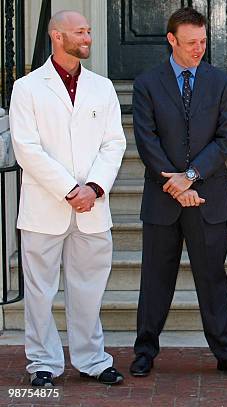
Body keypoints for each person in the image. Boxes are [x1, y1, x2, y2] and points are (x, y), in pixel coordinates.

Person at [9, 11, 126, 386]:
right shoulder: (27, 87)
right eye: (81, 32)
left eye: (89, 31)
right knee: (40, 292)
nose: (88, 37)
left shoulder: (102, 87)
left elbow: (114, 143)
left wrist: (93, 187)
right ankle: (43, 363)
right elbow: (26, 148)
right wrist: (68, 189)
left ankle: (92, 359)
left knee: (89, 290)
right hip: (45, 208)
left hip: (93, 207)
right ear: (57, 37)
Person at [129, 7, 227, 377]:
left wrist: (190, 176)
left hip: (208, 198)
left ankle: (225, 352)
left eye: (203, 42)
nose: (199, 49)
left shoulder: (220, 82)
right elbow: (147, 142)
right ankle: (145, 351)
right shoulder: (147, 83)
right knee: (155, 280)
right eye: (191, 42)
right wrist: (176, 185)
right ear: (171, 41)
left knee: (212, 279)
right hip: (162, 200)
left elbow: (225, 139)